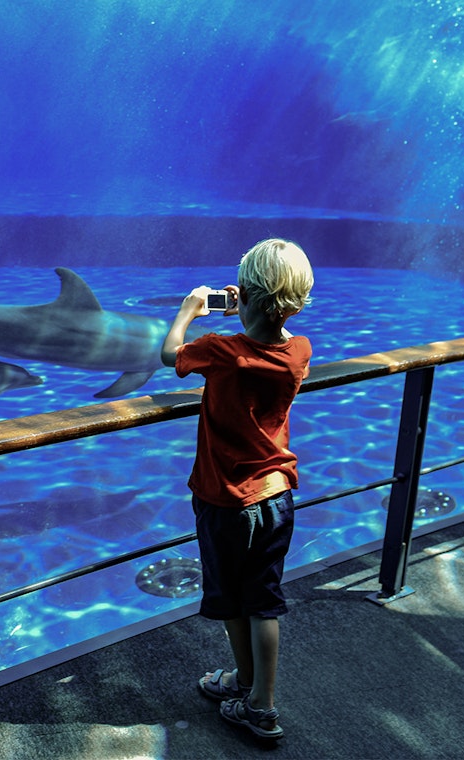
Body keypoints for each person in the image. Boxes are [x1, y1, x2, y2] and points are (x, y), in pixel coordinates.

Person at [160, 238, 314, 741]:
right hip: (277, 494)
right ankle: (257, 698)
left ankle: (253, 694)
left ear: (243, 297)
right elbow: (260, 349)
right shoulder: (300, 350)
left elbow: (170, 355)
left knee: (230, 602)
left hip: (225, 499)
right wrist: (250, 311)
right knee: (263, 601)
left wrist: (189, 313)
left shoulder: (220, 350)